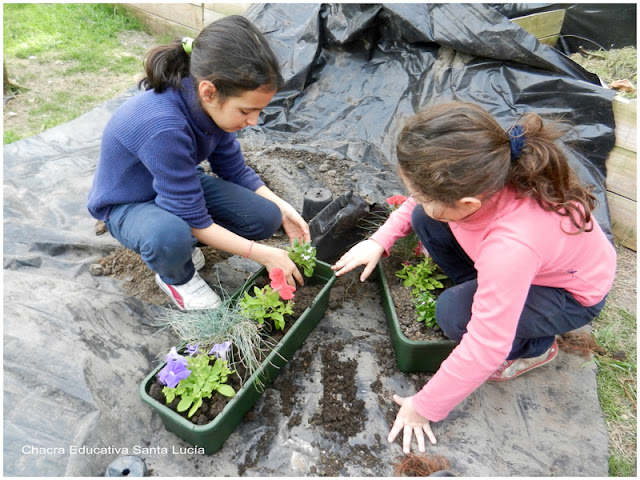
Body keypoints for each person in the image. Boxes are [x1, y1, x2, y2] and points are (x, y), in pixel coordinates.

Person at [332, 101, 616, 454]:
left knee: (452, 313)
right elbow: (418, 204)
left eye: (421, 193)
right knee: (425, 218)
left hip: (569, 295)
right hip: (524, 267)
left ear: (467, 204)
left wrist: (423, 407)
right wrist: (380, 240)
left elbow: (486, 344)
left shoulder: (511, 246)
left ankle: (536, 348)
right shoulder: (486, 174)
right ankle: (485, 291)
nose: (413, 198)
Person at [88, 16, 310, 310]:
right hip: (129, 202)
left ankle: (180, 243)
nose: (253, 121)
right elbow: (194, 218)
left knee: (266, 217)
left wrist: (284, 208)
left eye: (259, 111)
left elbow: (233, 168)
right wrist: (264, 255)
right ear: (209, 91)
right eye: (246, 110)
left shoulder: (211, 107)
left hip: (178, 185)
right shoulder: (163, 127)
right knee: (170, 236)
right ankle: (175, 276)